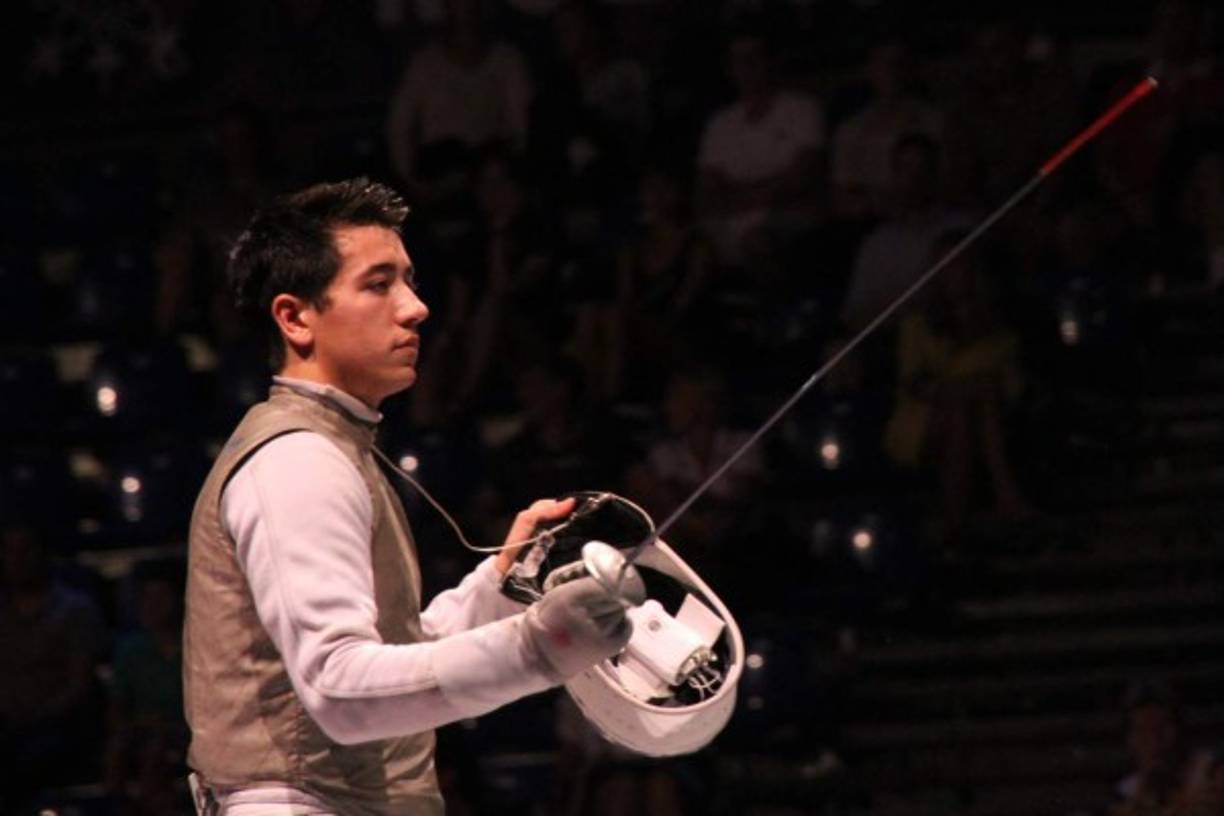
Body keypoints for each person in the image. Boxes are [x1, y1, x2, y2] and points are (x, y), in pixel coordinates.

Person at [183, 178, 642, 815]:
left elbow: (392, 655)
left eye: (410, 281)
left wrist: (501, 585)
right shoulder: (297, 458)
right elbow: (340, 691)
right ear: (294, 317)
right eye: (378, 284)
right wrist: (537, 650)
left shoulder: (335, 446)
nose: (415, 308)